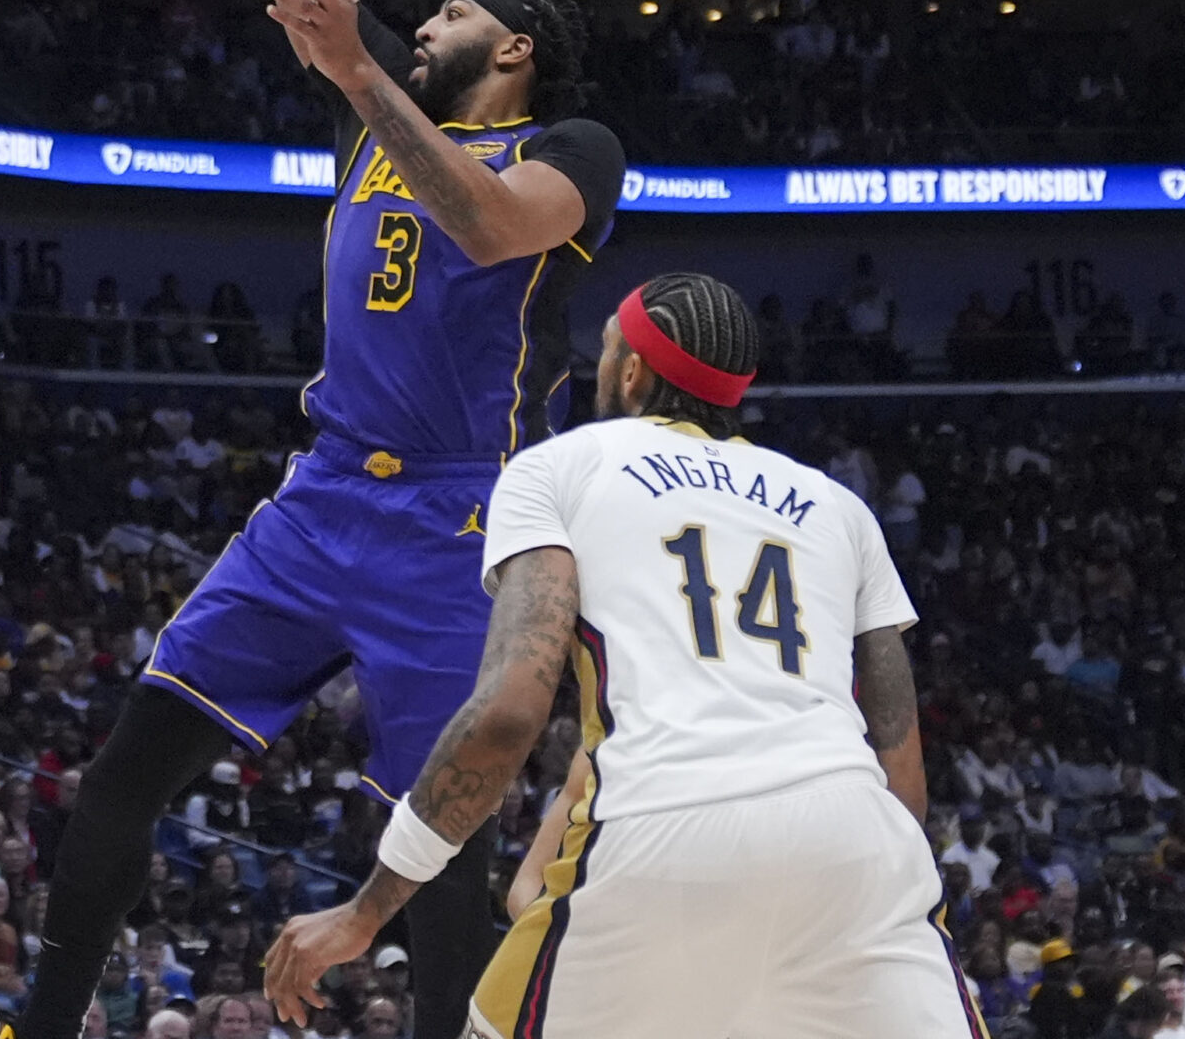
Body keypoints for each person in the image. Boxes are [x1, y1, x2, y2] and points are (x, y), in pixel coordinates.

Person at [24, 0, 627, 1039]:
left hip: (454, 516)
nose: (424, 25)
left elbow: (484, 228)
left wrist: (355, 63)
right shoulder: (369, 109)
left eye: (455, 15)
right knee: (125, 769)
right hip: (318, 497)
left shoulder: (569, 146)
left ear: (518, 47)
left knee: (442, 850)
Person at [264, 273, 982, 1039]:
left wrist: (369, 907)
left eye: (607, 346)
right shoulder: (842, 509)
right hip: (857, 846)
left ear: (632, 369)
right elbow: (901, 773)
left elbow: (508, 712)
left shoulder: (558, 469)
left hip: (663, 828)